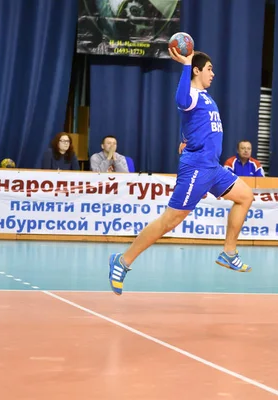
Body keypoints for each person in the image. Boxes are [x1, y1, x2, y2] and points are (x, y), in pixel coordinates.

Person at [107, 48, 255, 296]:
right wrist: (186, 64)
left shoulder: (206, 98)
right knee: (170, 221)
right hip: (196, 168)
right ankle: (122, 261)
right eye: (209, 68)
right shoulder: (191, 95)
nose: (213, 73)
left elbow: (193, 124)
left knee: (245, 196)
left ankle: (229, 252)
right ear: (197, 70)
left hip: (213, 167)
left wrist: (184, 138)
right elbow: (181, 101)